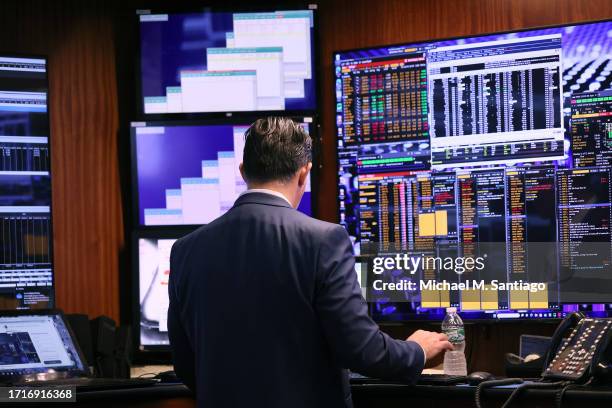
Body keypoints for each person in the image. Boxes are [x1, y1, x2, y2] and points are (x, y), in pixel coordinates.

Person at [168, 117, 453, 408]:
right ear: (304, 173)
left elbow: (186, 365)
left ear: (243, 172)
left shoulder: (186, 250)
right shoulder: (323, 240)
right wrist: (416, 350)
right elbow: (361, 350)